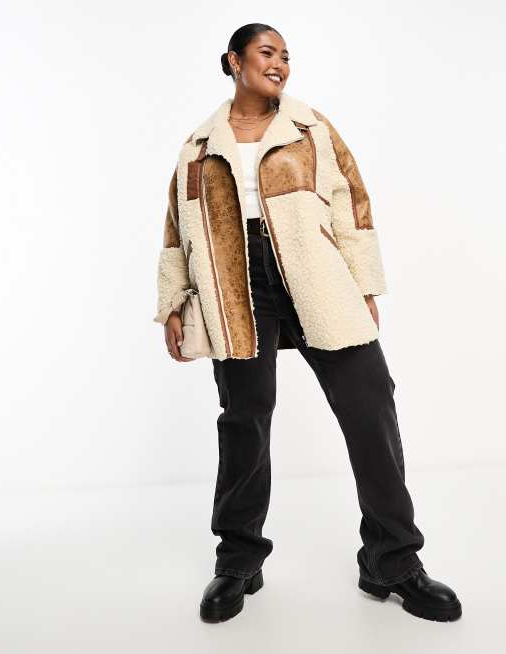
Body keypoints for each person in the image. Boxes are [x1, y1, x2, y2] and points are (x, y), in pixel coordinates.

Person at [153, 23, 462, 624]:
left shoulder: (310, 128)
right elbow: (176, 227)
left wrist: (363, 284)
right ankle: (239, 560)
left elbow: (352, 202)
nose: (280, 64)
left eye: (286, 56)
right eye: (267, 53)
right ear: (234, 61)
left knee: (370, 406)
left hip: (315, 274)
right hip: (234, 285)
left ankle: (392, 560)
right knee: (244, 420)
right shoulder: (198, 144)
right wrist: (173, 302)